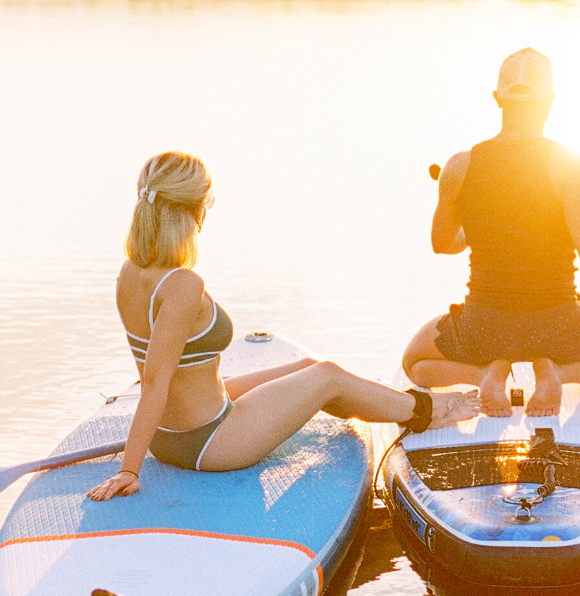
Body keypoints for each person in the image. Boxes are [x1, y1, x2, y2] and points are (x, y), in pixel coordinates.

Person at [88, 151, 478, 500]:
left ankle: (393, 403)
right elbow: (155, 382)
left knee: (309, 368)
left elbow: (156, 374)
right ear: (195, 209)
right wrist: (129, 470)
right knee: (327, 376)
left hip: (172, 434)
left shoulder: (130, 273)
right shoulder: (183, 285)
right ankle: (425, 409)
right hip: (209, 441)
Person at [402, 48, 580, 419]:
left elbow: (443, 244)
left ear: (498, 98)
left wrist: (472, 232)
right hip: (558, 326)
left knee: (415, 361)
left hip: (483, 327)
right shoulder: (570, 167)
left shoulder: (459, 166)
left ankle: (485, 372)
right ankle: (557, 371)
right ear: (551, 101)